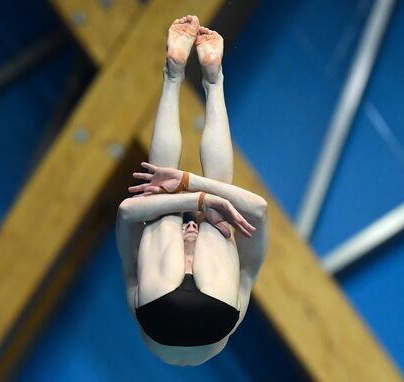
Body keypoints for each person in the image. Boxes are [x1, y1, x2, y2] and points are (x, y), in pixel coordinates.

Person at [115, 15, 268, 366]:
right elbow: (257, 208)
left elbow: (126, 212)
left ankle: (179, 77)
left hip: (168, 314)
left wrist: (193, 194)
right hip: (206, 318)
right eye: (193, 225)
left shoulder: (139, 276)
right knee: (215, 212)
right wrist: (197, 192)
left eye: (191, 227)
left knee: (167, 205)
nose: (191, 227)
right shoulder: (242, 275)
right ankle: (204, 80)